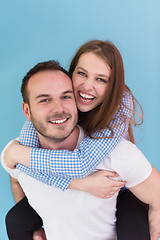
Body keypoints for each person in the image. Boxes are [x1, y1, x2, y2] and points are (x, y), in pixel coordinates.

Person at [2, 41, 158, 238]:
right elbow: (22, 166)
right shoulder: (52, 110)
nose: (87, 86)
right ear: (71, 74)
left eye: (101, 79)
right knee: (15, 220)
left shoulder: (119, 112)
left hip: (122, 189)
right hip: (72, 179)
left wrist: (15, 155)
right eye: (82, 74)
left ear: (112, 87)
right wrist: (14, 155)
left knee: (133, 226)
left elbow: (80, 164)